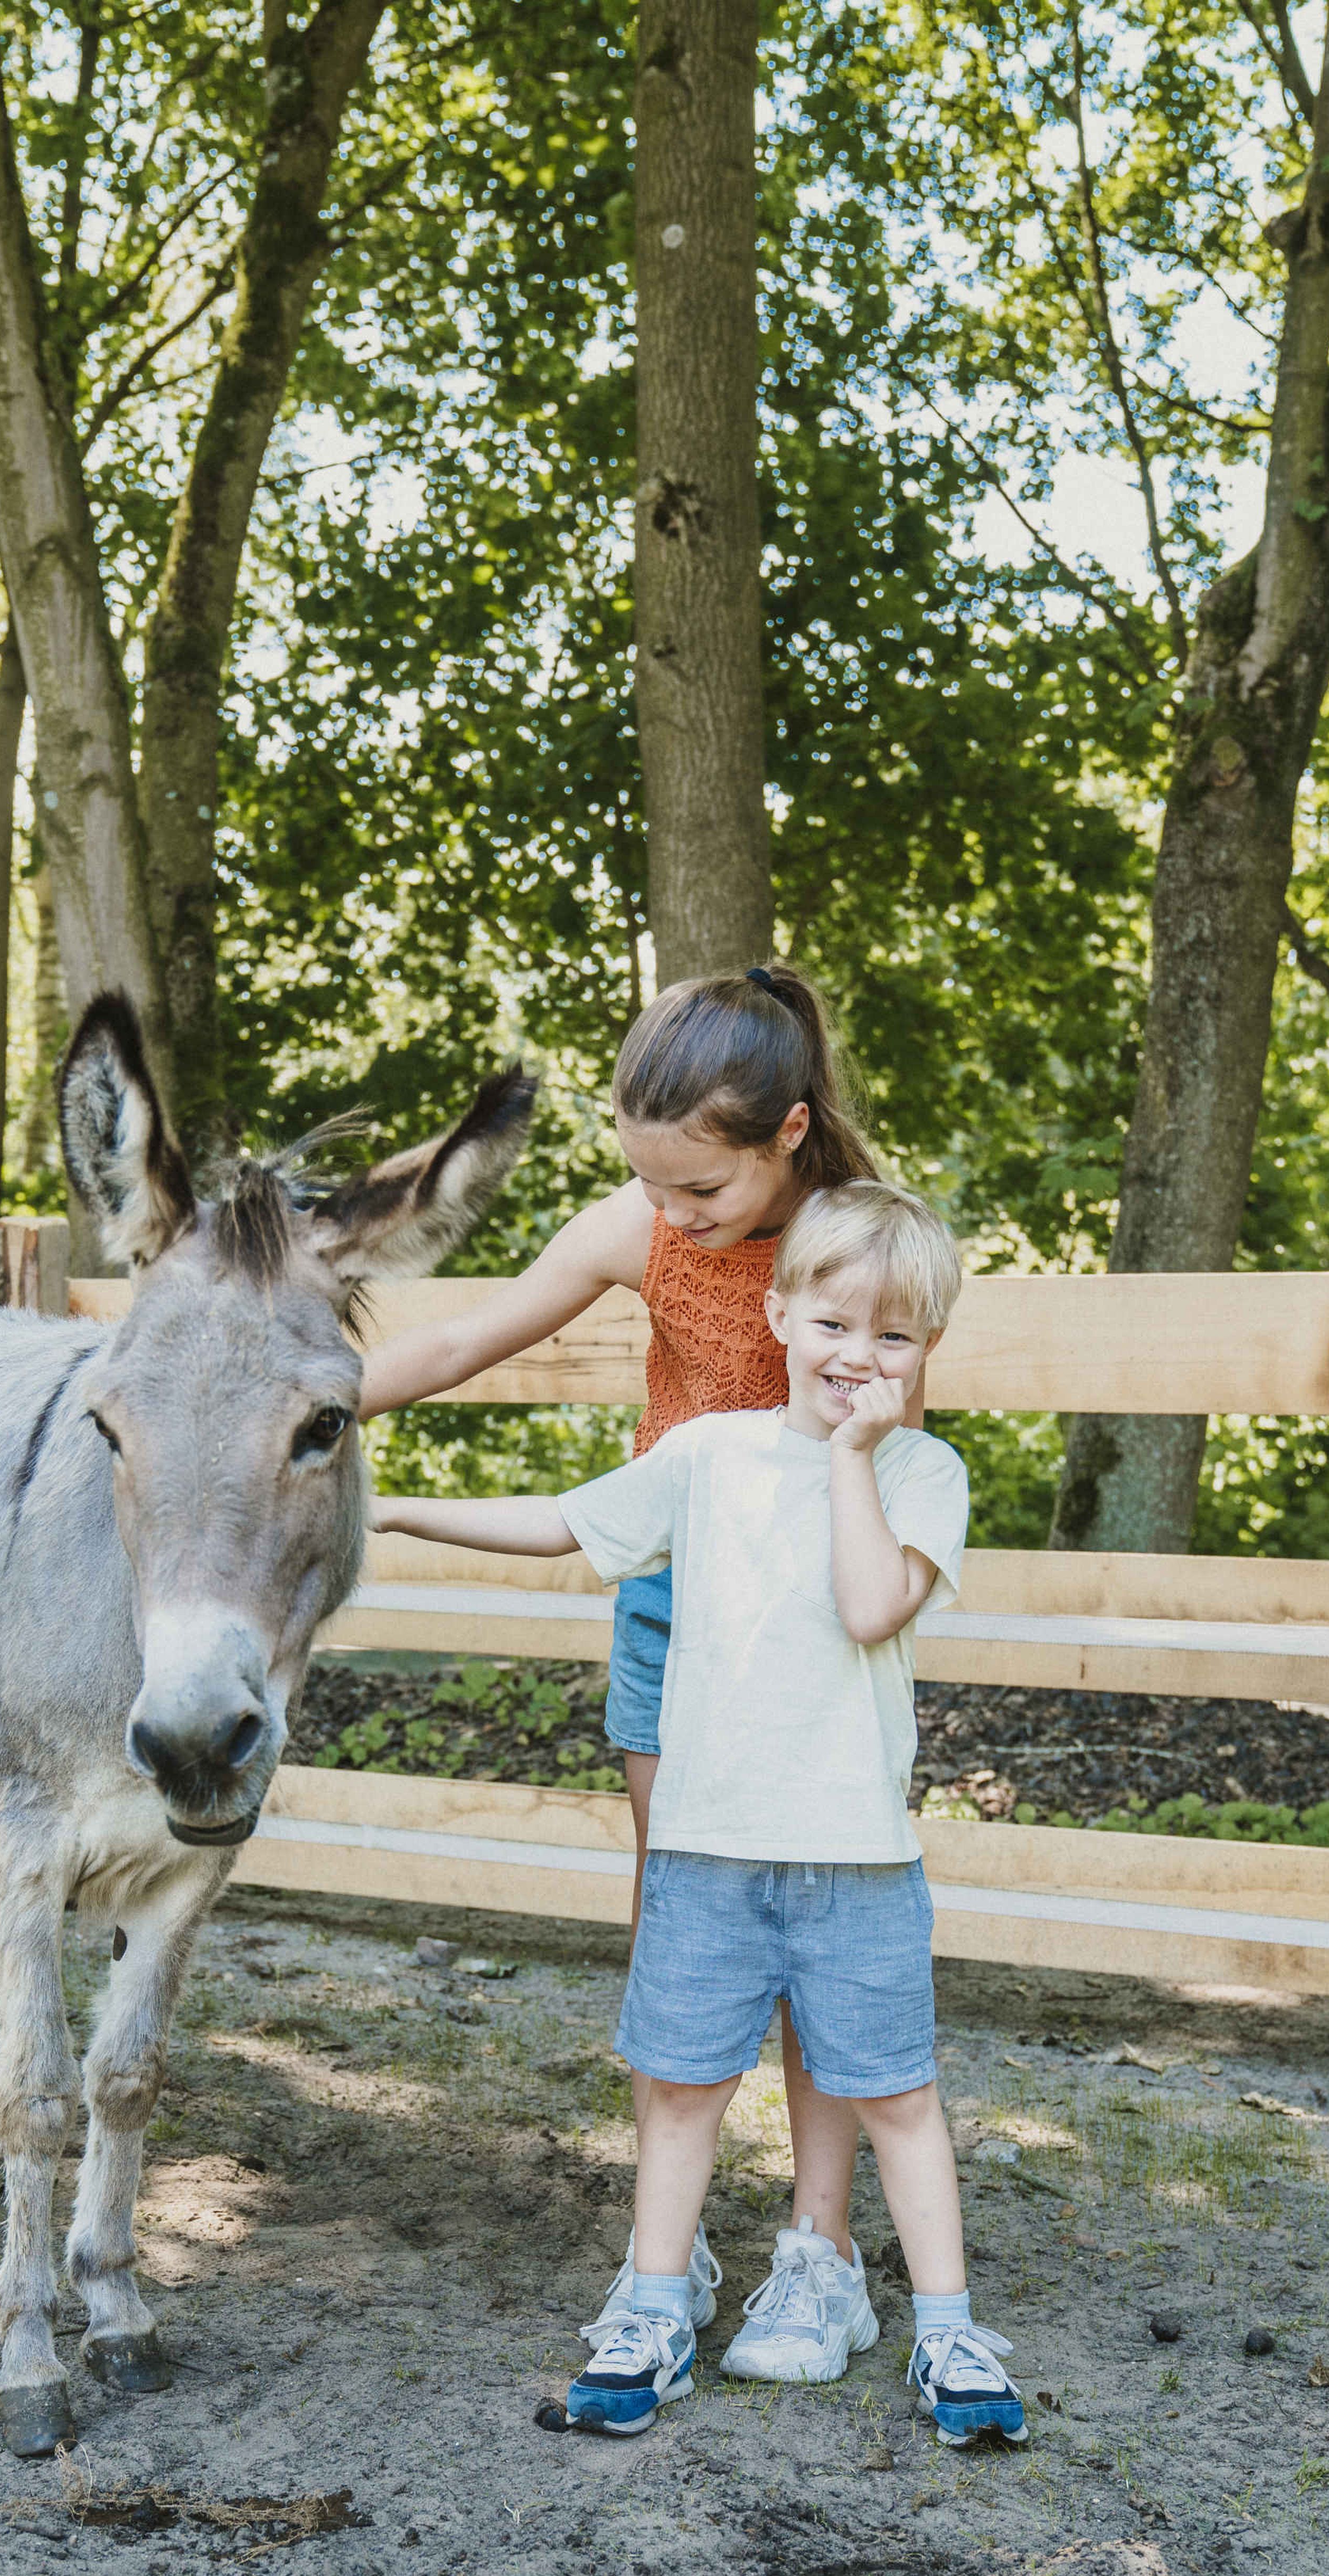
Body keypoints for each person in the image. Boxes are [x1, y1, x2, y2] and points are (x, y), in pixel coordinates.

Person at [372, 1178, 1027, 2447]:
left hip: (858, 1863)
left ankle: (949, 2333)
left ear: (926, 1352)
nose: (859, 1357)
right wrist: (392, 1509)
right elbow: (566, 1526)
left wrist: (849, 1457)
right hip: (706, 1851)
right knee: (679, 2088)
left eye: (895, 1337)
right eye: (834, 1323)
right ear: (778, 1313)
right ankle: (653, 2312)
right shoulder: (707, 1456)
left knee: (897, 2093)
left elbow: (866, 1605)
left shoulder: (926, 1475)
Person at [360, 961, 916, 2378]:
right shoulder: (640, 1222)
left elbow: (882, 1474)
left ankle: (822, 2248)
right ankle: (671, 2251)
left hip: (808, 1632)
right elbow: (466, 1335)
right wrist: (292, 1392)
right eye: (651, 1186)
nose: (672, 1217)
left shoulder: (855, 1259)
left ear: (789, 1133)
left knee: (813, 1932)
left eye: (703, 1194)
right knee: (691, 1919)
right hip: (673, 1611)